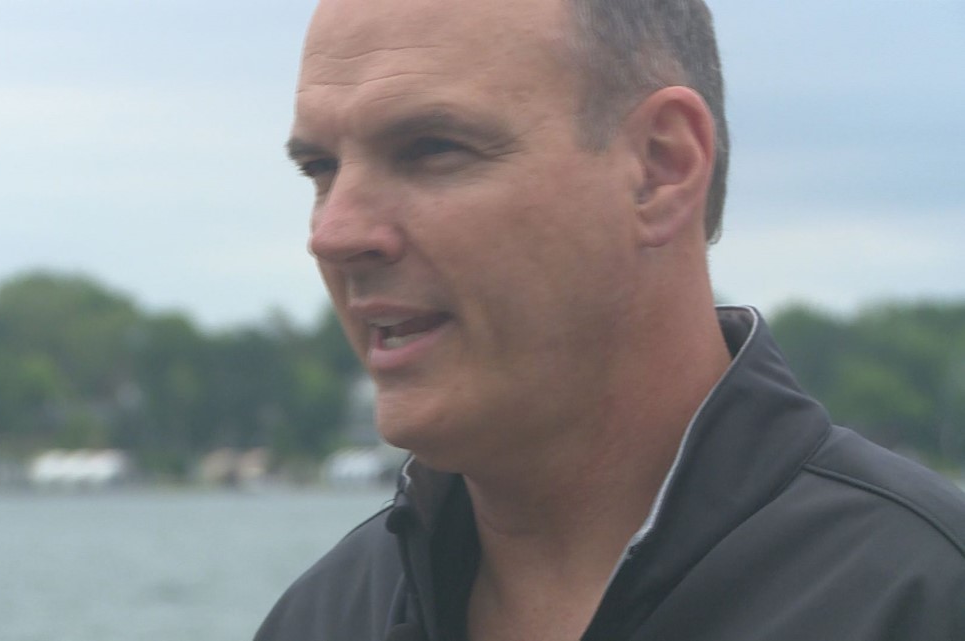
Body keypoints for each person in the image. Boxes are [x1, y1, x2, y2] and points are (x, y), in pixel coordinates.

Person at [257, 0, 965, 639]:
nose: (334, 234)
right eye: (320, 168)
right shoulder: (320, 619)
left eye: (431, 148)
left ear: (660, 167)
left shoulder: (925, 596)